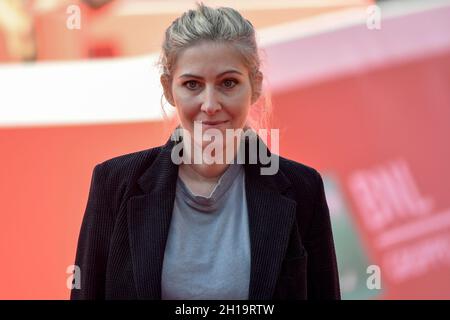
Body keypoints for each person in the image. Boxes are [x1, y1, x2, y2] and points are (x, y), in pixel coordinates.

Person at [70, 2, 340, 300]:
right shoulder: (114, 183)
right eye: (192, 84)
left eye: (228, 83)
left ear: (256, 85)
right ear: (168, 89)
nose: (210, 105)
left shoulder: (302, 189)